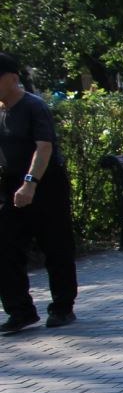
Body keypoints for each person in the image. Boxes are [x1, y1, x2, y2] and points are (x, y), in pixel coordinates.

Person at [0, 52, 77, 333]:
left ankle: (62, 307)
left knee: (56, 246)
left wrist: (30, 183)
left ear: (13, 79)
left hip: (46, 185)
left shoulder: (34, 107)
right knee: (5, 247)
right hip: (11, 185)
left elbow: (43, 147)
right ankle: (20, 310)